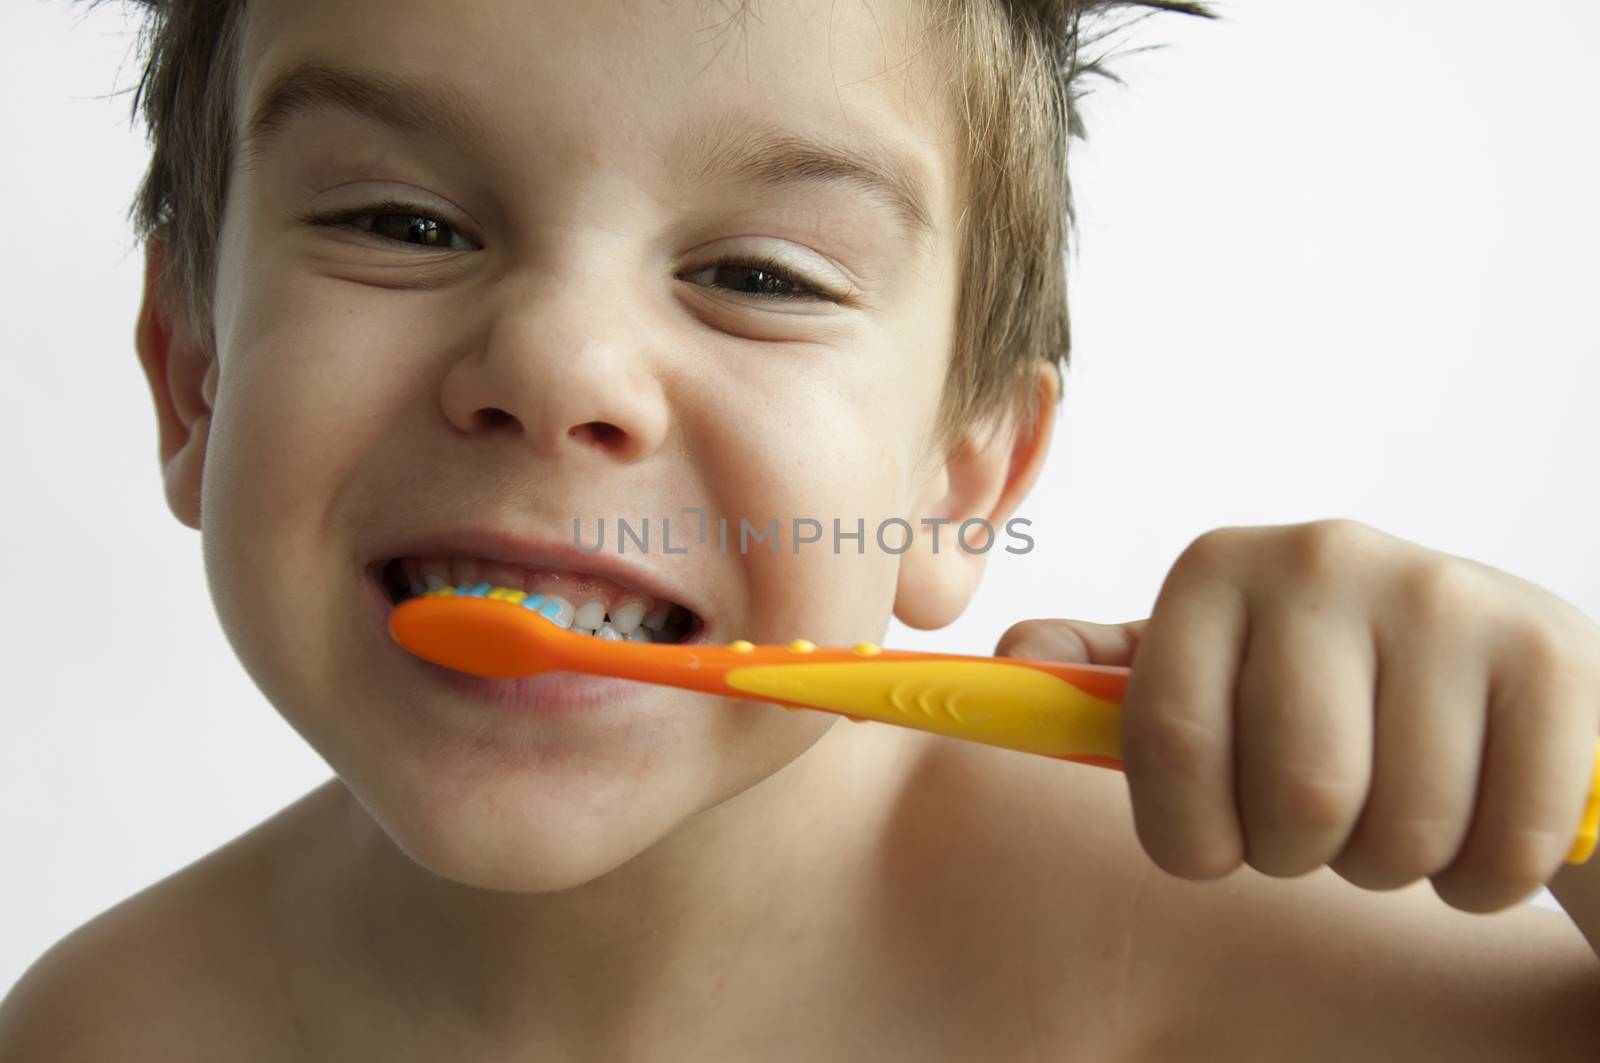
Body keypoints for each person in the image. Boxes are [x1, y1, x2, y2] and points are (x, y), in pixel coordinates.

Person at [3, 0, 1598, 1058]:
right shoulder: (110, 1031)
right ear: (191, 377)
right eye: (399, 223)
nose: (559, 368)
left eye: (761, 275)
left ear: (962, 481)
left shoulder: (1226, 954)